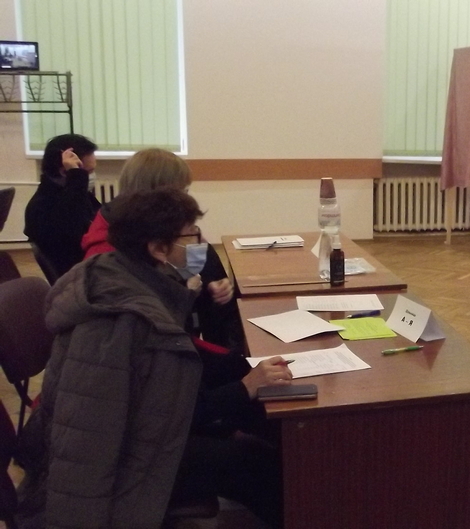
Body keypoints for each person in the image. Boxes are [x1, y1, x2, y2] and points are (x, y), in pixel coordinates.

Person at [16, 189, 293, 528]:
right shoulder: (122, 318)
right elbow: (146, 419)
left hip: (138, 433)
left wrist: (242, 367)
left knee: (266, 415)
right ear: (159, 249)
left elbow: (174, 372)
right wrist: (244, 387)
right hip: (123, 462)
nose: (200, 245)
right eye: (191, 236)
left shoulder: (132, 277)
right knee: (250, 462)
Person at [81, 148, 242, 349]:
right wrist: (185, 293)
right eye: (182, 192)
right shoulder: (108, 254)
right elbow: (151, 329)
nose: (186, 199)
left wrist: (210, 286)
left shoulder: (139, 227)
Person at [23, 134, 101, 280]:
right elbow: (75, 236)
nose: (91, 176)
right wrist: (76, 176)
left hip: (93, 267)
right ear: (65, 171)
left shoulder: (73, 193)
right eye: (88, 172)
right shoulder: (42, 207)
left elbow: (101, 217)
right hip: (83, 278)